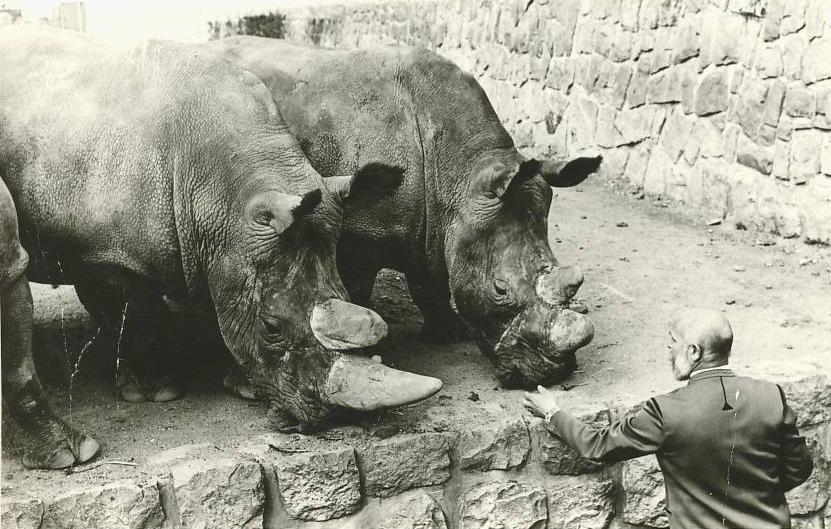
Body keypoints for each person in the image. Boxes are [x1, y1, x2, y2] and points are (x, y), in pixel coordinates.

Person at [524, 308, 813, 529]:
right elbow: (800, 469)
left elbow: (597, 446)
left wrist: (553, 412)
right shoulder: (771, 395)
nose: (668, 349)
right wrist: (752, 495)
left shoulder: (666, 411)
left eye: (673, 342)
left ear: (694, 351)